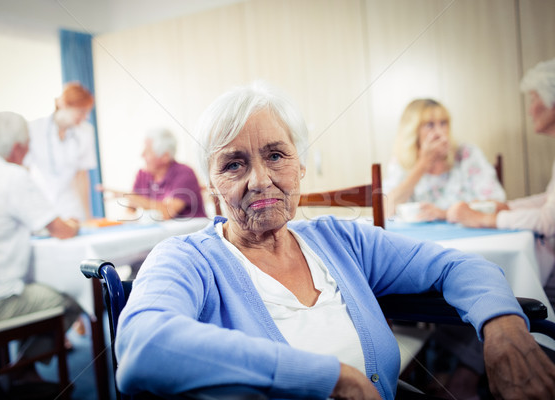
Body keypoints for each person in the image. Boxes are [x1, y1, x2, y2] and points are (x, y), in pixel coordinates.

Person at [114, 81, 555, 400]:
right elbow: (143, 346)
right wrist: (328, 377)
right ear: (210, 183)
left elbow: (457, 265)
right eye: (233, 164)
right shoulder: (186, 259)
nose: (260, 179)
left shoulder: (340, 240)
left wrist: (503, 328)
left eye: (275, 155)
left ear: (300, 166)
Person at [0, 111, 83, 396]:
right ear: (18, 148)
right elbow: (60, 230)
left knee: (29, 288)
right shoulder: (14, 177)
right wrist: (74, 222)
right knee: (74, 297)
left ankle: (17, 374)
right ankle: (22, 369)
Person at [448, 57, 555, 291]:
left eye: (534, 98)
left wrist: (485, 219)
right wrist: (506, 207)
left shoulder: (467, 153)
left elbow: (550, 220)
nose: (529, 110)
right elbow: (549, 201)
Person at [384, 98, 506, 221]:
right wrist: (423, 165)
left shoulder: (467, 154)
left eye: (443, 123)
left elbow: (498, 204)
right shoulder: (401, 162)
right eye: (429, 125)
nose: (439, 132)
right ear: (413, 131)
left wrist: (445, 213)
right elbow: (385, 210)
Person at [24, 82, 97, 221]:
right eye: (81, 111)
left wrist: (88, 216)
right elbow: (25, 171)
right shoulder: (34, 129)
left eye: (87, 112)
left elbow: (82, 175)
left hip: (71, 206)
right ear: (64, 104)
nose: (85, 117)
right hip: (42, 202)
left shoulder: (86, 132)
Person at [101, 128, 207, 220]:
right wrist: (131, 203)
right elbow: (130, 211)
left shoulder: (185, 173)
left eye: (147, 152)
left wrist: (130, 196)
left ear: (165, 156)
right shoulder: (142, 174)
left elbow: (167, 212)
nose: (141, 155)